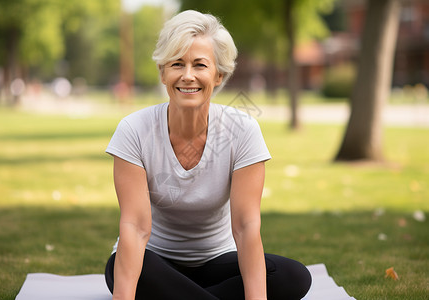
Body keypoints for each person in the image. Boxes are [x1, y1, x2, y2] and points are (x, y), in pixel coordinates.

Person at [104, 10, 311, 300]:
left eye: (199, 65)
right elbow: (135, 228)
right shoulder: (133, 130)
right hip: (154, 261)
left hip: (218, 261)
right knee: (123, 269)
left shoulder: (243, 131)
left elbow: (245, 226)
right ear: (163, 73)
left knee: (292, 276)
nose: (188, 76)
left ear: (218, 75)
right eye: (177, 64)